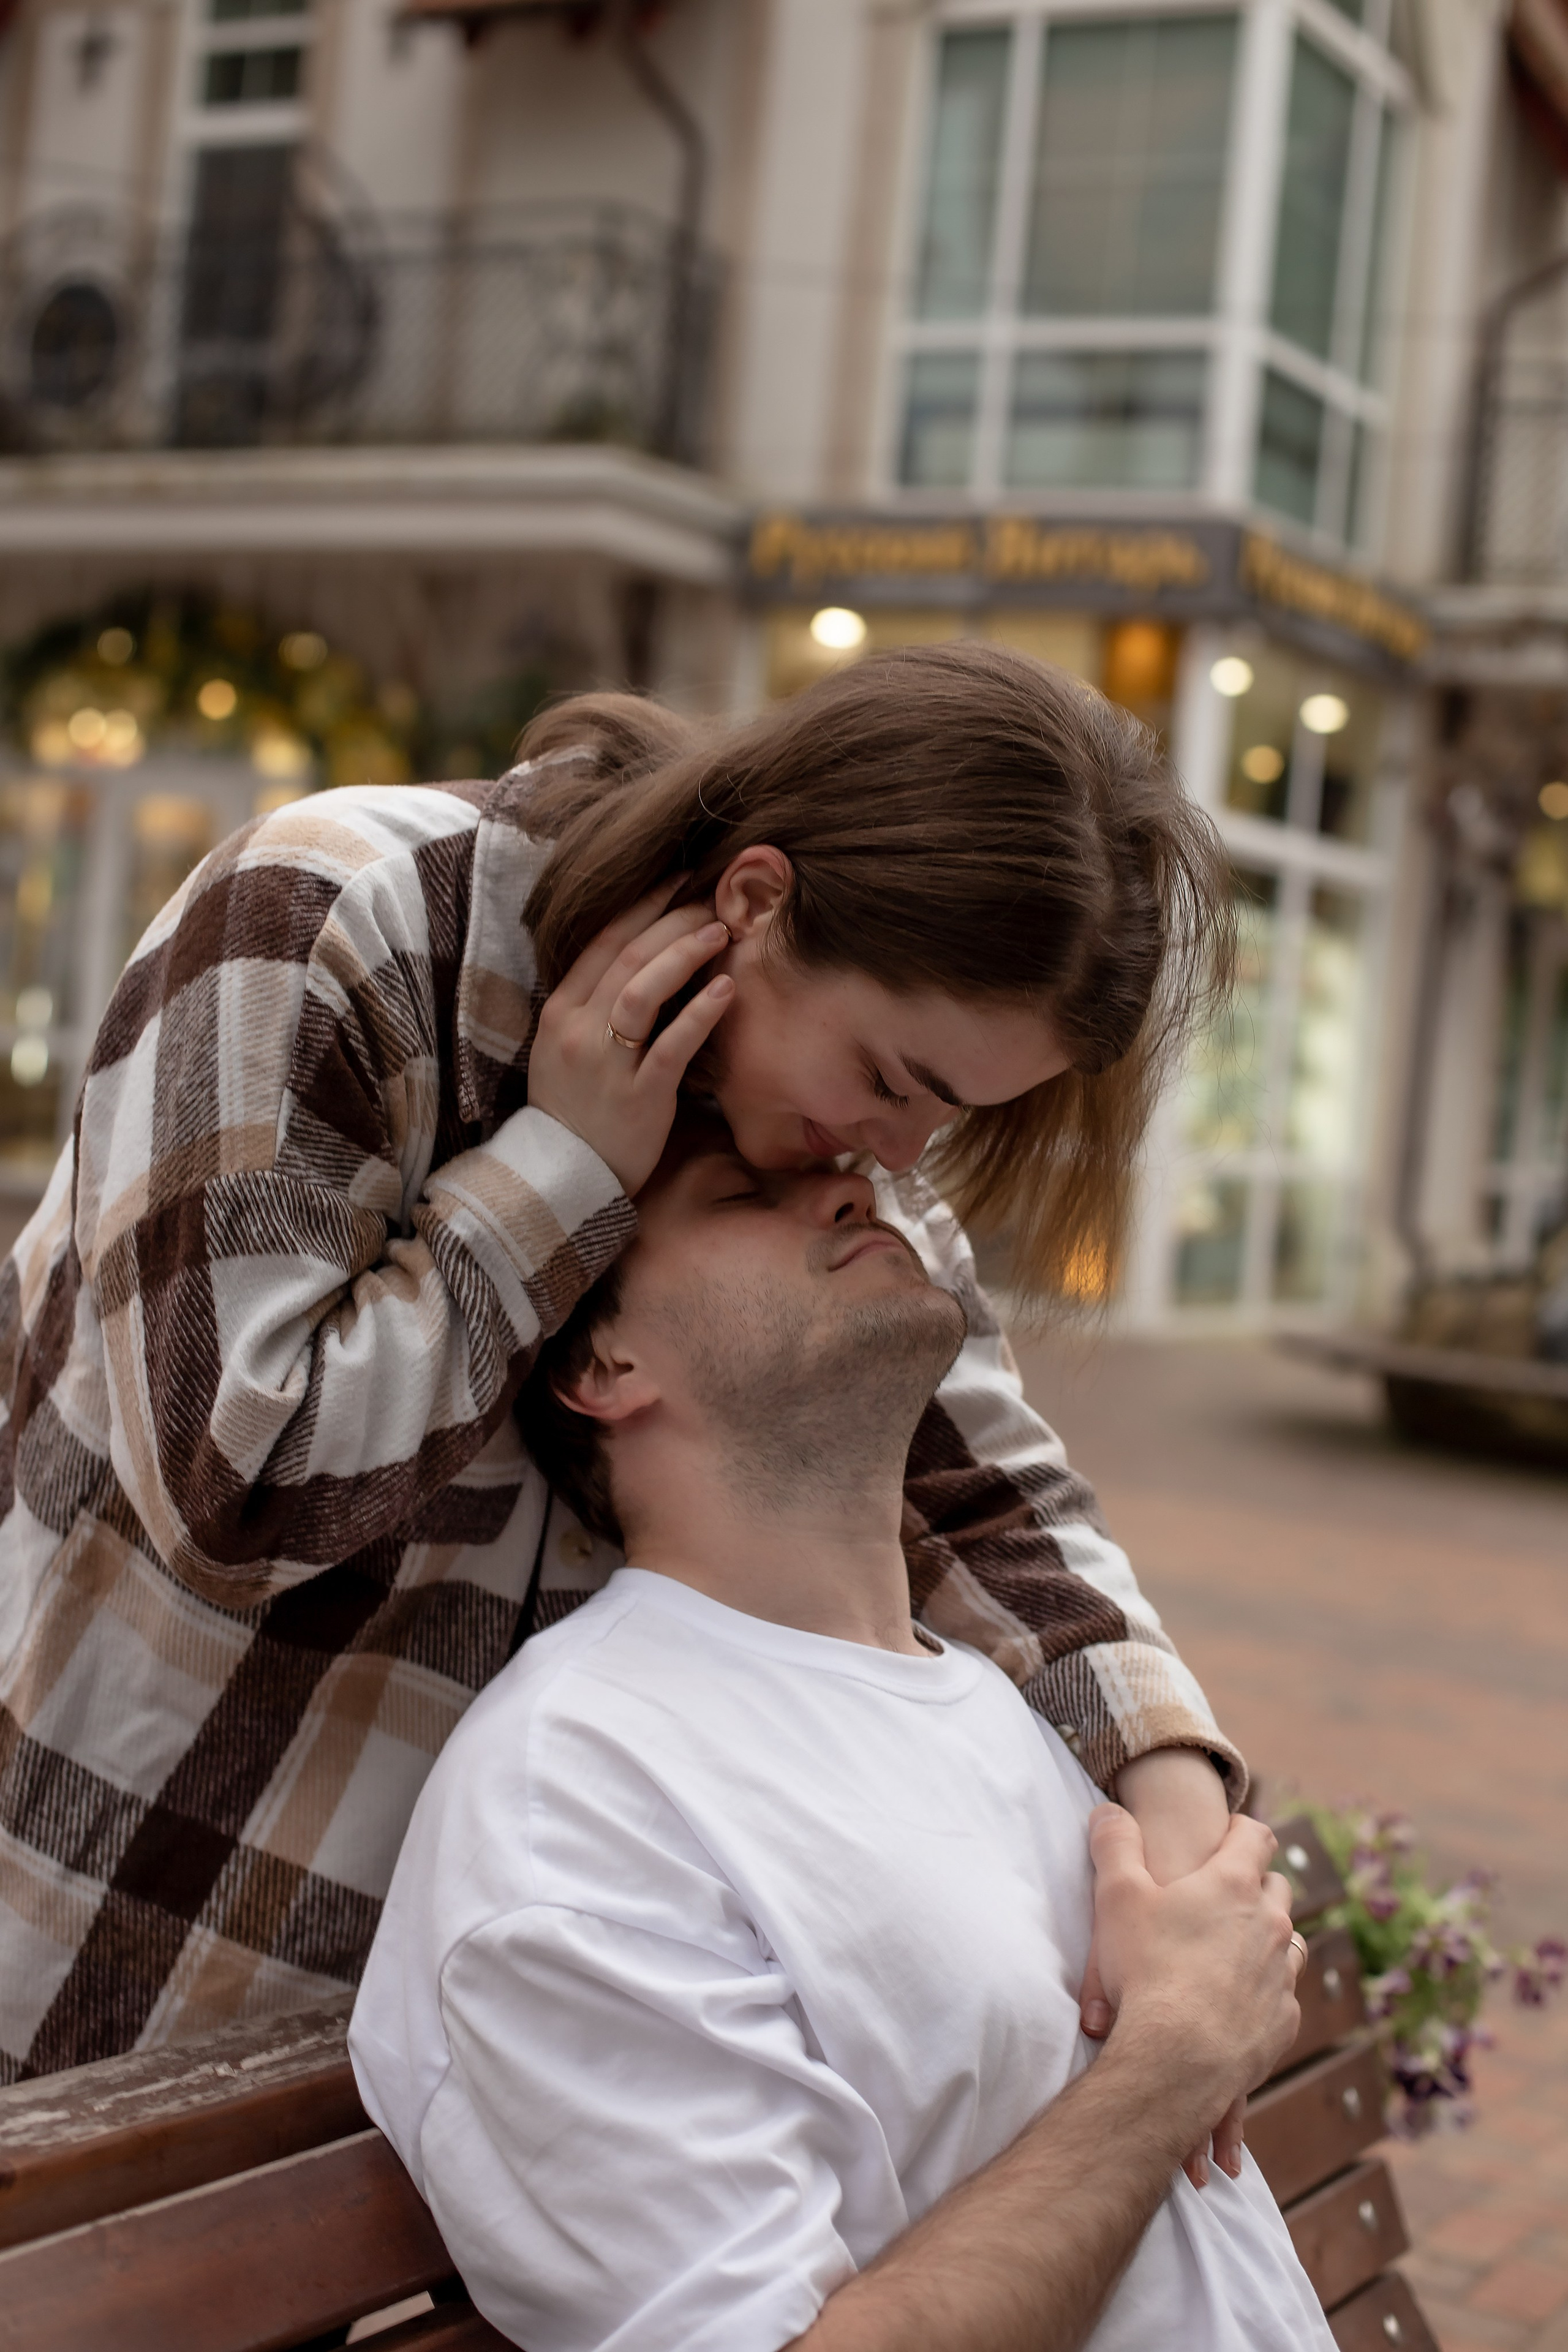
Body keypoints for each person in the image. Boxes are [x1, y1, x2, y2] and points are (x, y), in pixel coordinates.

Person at [0, 642, 1240, 2082]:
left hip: (437, 2045)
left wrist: (1183, 1849)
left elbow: (986, 1507)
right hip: (87, 1954)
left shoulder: (793, 1120)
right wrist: (564, 1169)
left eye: (949, 1115)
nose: (900, 1155)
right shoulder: (337, 916)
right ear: (756, 901)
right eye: (893, 1079)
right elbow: (235, 1487)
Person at [350, 1116, 1328, 2352]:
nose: (857, 1194)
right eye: (745, 1193)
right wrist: (1175, 2057)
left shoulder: (993, 1695)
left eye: (848, 1176)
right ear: (603, 1365)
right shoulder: (576, 1797)